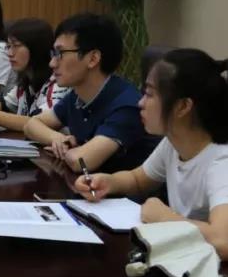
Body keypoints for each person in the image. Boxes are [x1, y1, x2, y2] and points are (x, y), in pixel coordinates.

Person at [75, 49, 228, 277]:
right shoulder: (175, 142)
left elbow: (225, 241)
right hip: (200, 267)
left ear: (182, 106)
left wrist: (163, 216)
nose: (140, 103)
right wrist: (108, 182)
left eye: (149, 95)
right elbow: (139, 179)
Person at [25, 13, 156, 172]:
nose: (52, 63)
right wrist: (58, 139)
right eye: (53, 54)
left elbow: (82, 162)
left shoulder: (126, 106)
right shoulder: (77, 96)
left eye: (60, 54)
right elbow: (31, 125)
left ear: (93, 59)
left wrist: (69, 150)